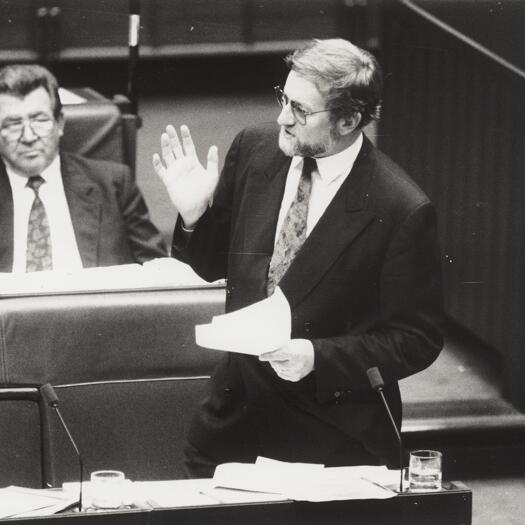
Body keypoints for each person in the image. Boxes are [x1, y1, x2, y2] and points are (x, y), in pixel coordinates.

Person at [153, 38, 444, 477]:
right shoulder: (254, 148)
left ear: (350, 120)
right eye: (284, 100)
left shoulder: (399, 207)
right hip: (233, 422)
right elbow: (216, 264)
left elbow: (416, 339)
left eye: (301, 111)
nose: (281, 119)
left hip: (331, 434)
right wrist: (195, 216)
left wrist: (316, 356)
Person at [0, 64, 166, 273]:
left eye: (39, 120)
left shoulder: (114, 184)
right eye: (13, 124)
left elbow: (159, 272)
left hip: (97, 305)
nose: (29, 137)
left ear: (59, 124)